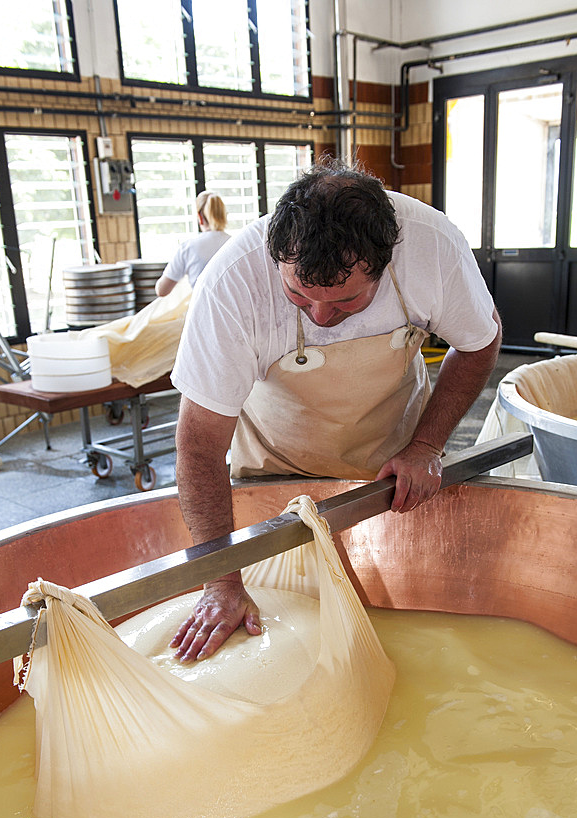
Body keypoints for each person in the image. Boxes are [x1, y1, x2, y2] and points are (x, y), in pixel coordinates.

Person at [170, 159, 502, 663]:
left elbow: (481, 341)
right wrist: (221, 580)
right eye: (299, 296)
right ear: (276, 255)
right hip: (275, 466)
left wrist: (427, 445)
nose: (322, 317)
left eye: (347, 301)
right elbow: (198, 447)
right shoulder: (233, 285)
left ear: (387, 261)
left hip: (390, 471)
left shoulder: (433, 247)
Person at [155, 190, 230, 295]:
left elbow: (161, 290)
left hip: (202, 310)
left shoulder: (189, 247)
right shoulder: (237, 244)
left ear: (199, 217)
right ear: (224, 215)